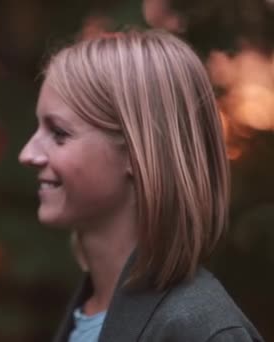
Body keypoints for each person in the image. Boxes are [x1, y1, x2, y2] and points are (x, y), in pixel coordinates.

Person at [18, 30, 264, 342]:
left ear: (138, 151)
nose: (27, 154)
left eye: (59, 133)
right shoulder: (85, 316)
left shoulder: (200, 331)